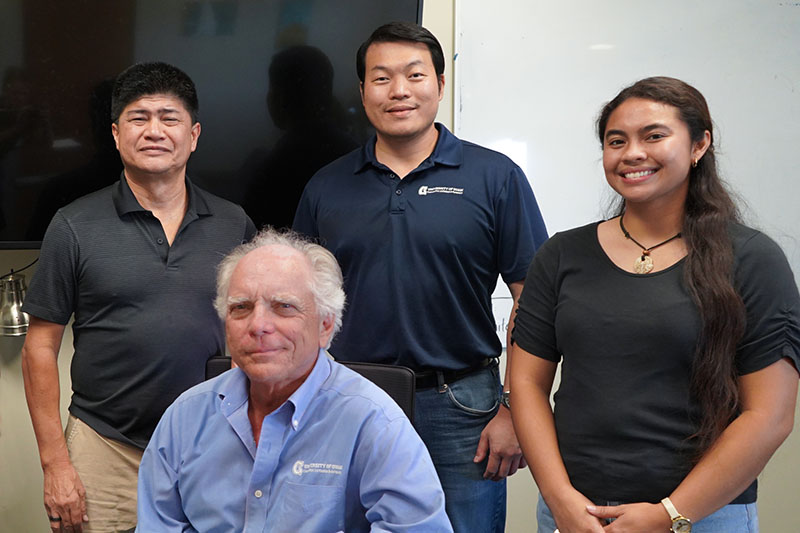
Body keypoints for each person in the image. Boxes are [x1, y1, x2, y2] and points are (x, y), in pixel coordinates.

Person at [510, 76, 800, 533]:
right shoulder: (561, 255)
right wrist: (560, 499)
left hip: (703, 515)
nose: (632, 154)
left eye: (654, 136)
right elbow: (526, 383)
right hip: (577, 515)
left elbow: (770, 414)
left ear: (699, 144)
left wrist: (671, 514)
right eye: (616, 140)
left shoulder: (751, 258)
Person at [293, 21, 548, 532]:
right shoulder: (327, 185)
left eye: (414, 74)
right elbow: (299, 300)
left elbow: (535, 301)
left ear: (440, 84)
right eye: (381, 78)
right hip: (350, 397)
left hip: (463, 405)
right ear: (363, 90)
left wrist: (514, 409)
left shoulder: (494, 177)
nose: (400, 91)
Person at [21, 62, 256, 532]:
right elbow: (39, 348)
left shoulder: (235, 226)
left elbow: (254, 334)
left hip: (209, 442)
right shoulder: (73, 225)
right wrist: (55, 465)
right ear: (115, 133)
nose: (154, 131)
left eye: (169, 118)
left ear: (193, 134)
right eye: (138, 117)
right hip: (105, 444)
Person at [135, 228, 453, 532]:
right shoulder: (183, 419)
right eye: (241, 308)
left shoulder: (374, 423)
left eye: (284, 307)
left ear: (326, 325)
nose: (258, 325)